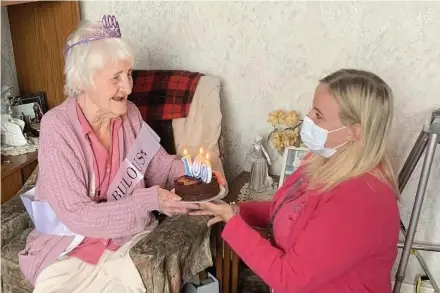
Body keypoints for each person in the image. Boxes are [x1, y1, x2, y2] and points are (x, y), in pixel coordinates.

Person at [19, 15, 200, 292]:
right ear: (84, 81)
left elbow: (158, 166)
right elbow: (78, 216)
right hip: (70, 249)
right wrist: (148, 201)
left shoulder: (130, 114)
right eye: (116, 78)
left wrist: (193, 172)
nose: (128, 87)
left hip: (125, 242)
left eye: (128, 74)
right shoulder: (57, 127)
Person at [192, 69, 400, 293]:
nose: (308, 118)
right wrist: (235, 210)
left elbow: (288, 278)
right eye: (312, 109)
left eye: (318, 115)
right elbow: (289, 211)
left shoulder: (360, 199)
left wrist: (233, 223)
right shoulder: (322, 159)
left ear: (353, 132)